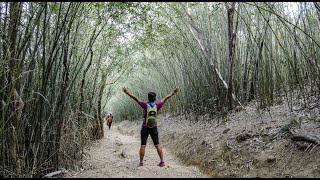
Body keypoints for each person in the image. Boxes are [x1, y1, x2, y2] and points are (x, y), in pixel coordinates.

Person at [122, 87, 179, 167]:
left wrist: (127, 93)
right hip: (154, 127)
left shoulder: (145, 105)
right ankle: (162, 162)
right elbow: (165, 98)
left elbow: (135, 98)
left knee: (143, 145)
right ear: (155, 98)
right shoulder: (157, 105)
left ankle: (141, 163)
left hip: (145, 127)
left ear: (148, 98)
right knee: (157, 144)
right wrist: (173, 93)